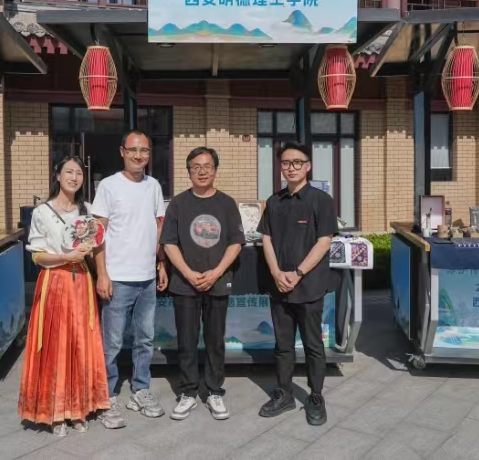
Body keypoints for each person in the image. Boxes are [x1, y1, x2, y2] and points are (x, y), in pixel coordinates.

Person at [18, 156, 109, 436]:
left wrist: (101, 274)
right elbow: (37, 256)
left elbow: (97, 245)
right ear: (57, 175)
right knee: (56, 344)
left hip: (81, 282)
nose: (74, 177)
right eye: (68, 172)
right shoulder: (42, 212)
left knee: (81, 343)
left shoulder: (88, 210)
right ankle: (55, 412)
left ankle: (79, 408)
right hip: (55, 282)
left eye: (78, 173)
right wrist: (65, 257)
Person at [161, 147, 245, 421]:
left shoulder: (227, 203)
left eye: (207, 166)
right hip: (184, 283)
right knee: (186, 340)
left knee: (215, 339)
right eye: (196, 166)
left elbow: (235, 242)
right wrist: (187, 273)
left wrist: (216, 272)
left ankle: (214, 391)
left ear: (215, 170)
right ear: (188, 171)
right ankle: (188, 392)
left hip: (217, 282)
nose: (202, 171)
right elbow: (169, 242)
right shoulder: (178, 204)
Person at [92, 130, 168, 429]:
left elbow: (158, 227)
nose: (139, 156)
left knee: (145, 339)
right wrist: (102, 273)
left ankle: (140, 389)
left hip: (147, 277)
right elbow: (98, 233)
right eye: (133, 150)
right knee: (111, 342)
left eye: (144, 150)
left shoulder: (153, 186)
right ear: (122, 151)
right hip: (118, 278)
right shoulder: (109, 186)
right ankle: (107, 395)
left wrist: (160, 263)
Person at [257, 141, 336, 427]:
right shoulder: (274, 201)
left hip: (309, 285)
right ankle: (285, 393)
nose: (291, 168)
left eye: (297, 163)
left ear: (308, 166)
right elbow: (266, 238)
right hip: (279, 286)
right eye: (286, 163)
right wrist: (277, 272)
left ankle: (315, 396)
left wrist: (298, 273)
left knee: (313, 344)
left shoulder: (321, 200)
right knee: (283, 344)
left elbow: (324, 241)